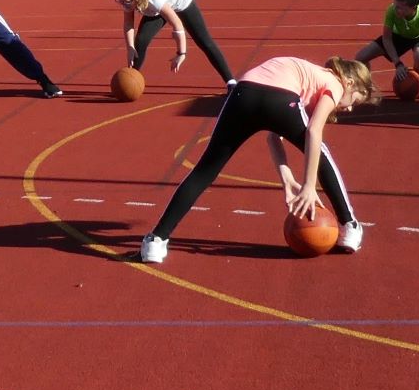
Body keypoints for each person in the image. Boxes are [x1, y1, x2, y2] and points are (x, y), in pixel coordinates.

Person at [140, 56, 378, 264]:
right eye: (355, 101)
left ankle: (157, 240)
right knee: (320, 151)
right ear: (349, 83)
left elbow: (274, 138)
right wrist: (308, 186)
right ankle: (349, 225)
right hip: (278, 99)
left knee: (205, 170)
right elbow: (314, 132)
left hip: (243, 95)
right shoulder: (334, 83)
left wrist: (287, 180)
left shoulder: (307, 76)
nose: (348, 109)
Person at [114, 0, 235, 87]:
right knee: (141, 41)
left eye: (125, 2)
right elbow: (128, 24)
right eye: (120, 0)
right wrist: (130, 47)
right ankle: (131, 79)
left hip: (181, 0)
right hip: (159, 6)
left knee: (203, 40)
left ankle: (231, 82)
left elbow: (177, 24)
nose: (123, 4)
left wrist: (181, 53)